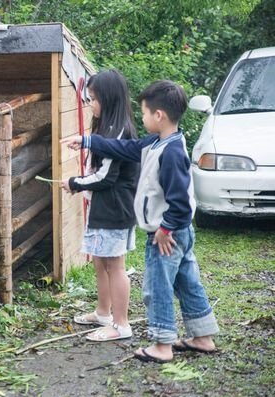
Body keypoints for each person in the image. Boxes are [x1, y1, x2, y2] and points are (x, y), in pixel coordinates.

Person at [61, 80, 219, 363]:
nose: (142, 118)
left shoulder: (170, 152)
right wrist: (88, 141)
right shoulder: (158, 142)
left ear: (159, 115)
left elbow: (180, 199)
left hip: (166, 234)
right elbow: (126, 149)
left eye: (145, 113)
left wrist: (166, 227)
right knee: (187, 282)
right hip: (177, 232)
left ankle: (162, 344)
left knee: (157, 286)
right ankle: (202, 337)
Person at [60, 69, 140, 342]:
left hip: (114, 208)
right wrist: (79, 183)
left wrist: (76, 182)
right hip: (103, 206)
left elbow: (106, 176)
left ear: (108, 98)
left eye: (93, 99)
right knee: (100, 262)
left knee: (115, 265)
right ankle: (103, 312)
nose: (90, 104)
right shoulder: (107, 128)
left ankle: (121, 325)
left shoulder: (120, 133)